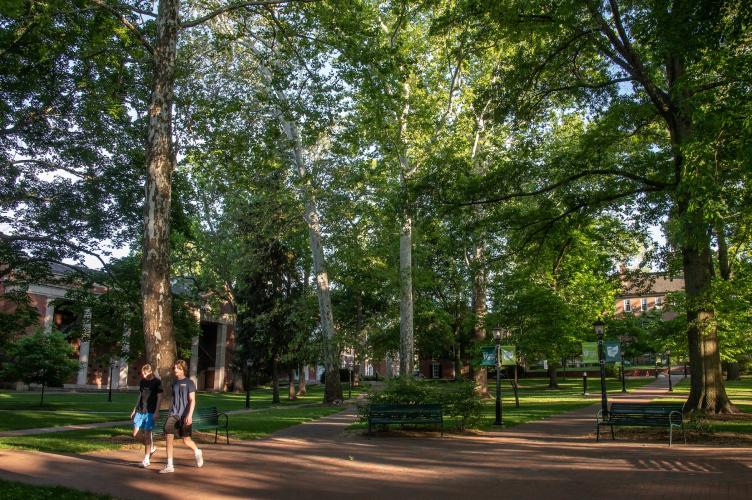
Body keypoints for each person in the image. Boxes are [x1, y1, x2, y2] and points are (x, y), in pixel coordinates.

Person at [160, 359, 203, 473]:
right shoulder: (174, 383)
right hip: (174, 414)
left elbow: (192, 400)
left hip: (185, 415)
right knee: (168, 435)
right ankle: (169, 465)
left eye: (178, 368)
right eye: (174, 368)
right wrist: (170, 411)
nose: (175, 370)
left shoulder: (189, 383)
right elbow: (174, 400)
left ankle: (197, 451)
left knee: (186, 440)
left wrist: (189, 415)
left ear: (183, 369)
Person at [130, 364, 162, 468]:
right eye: (142, 373)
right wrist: (134, 409)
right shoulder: (143, 382)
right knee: (135, 434)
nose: (142, 375)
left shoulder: (157, 382)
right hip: (140, 410)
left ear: (150, 372)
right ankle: (151, 447)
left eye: (144, 373)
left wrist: (157, 411)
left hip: (151, 411)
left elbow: (160, 397)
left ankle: (146, 459)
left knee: (148, 434)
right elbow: (140, 395)